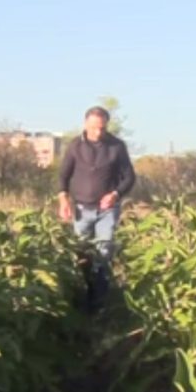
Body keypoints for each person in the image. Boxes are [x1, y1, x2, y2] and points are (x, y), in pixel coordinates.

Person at [57, 106, 136, 312]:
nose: (98, 132)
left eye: (102, 128)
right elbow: (63, 176)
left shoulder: (117, 147)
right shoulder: (75, 146)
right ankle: (82, 295)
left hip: (107, 210)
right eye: (94, 127)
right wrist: (63, 200)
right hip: (81, 209)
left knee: (103, 252)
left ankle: (99, 303)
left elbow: (129, 177)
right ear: (86, 124)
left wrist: (115, 194)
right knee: (81, 252)